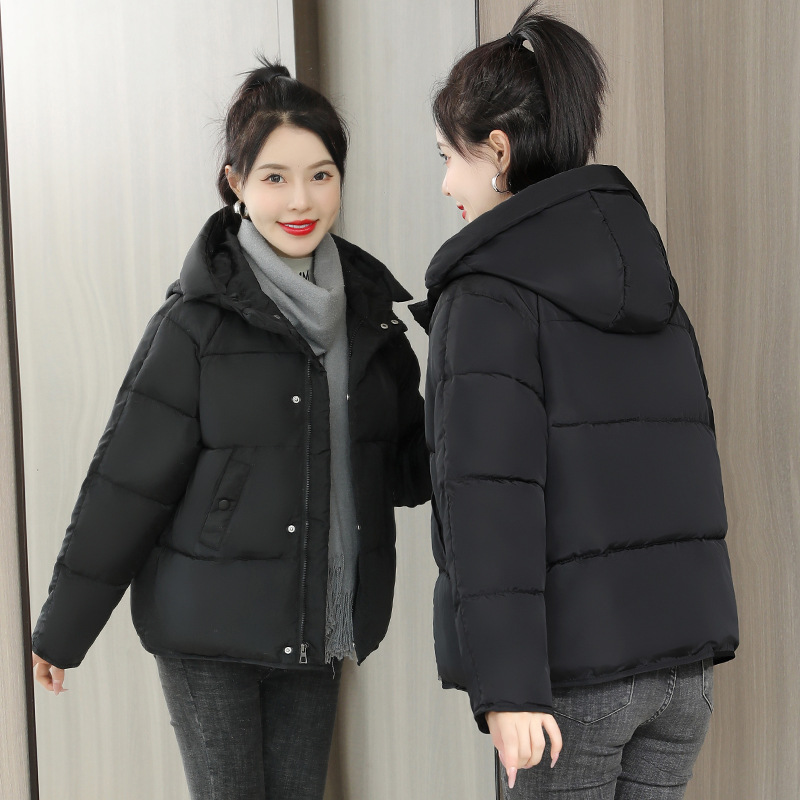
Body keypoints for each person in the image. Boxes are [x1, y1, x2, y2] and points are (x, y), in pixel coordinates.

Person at [30, 59, 430, 800]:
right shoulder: (195, 325)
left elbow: (406, 470)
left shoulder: (372, 320)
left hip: (315, 618)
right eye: (275, 177)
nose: (301, 199)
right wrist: (63, 629)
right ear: (236, 184)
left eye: (321, 175)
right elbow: (127, 483)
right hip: (205, 628)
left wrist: (477, 374)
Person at [411, 3, 739, 798]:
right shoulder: (646, 275)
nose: (447, 183)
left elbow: (488, 498)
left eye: (449, 157)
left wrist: (509, 688)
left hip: (572, 687)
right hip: (682, 674)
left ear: (498, 151)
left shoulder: (486, 294)